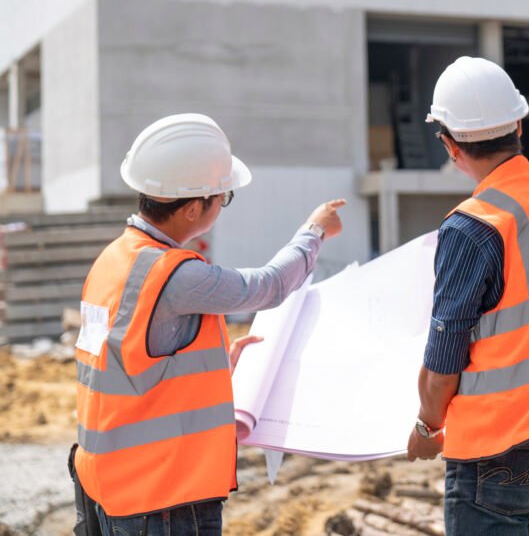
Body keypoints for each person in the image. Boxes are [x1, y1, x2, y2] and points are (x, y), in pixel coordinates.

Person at [71, 113, 345, 536]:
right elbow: (268, 286)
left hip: (110, 487)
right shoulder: (175, 274)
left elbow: (128, 364)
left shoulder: (114, 259)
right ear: (194, 207)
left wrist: (216, 366)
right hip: (163, 498)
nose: (223, 205)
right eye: (224, 197)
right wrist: (314, 231)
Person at [406, 57, 529, 535]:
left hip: (497, 452)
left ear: (450, 146)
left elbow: (444, 358)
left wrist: (428, 427)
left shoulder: (473, 226)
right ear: (518, 123)